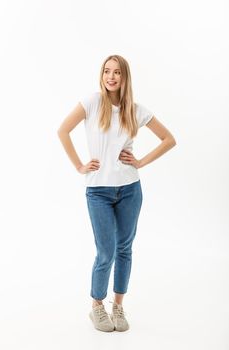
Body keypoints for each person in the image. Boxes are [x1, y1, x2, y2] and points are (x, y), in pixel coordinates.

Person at [57, 54, 176, 332]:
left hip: (130, 189)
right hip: (98, 190)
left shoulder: (135, 109)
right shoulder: (91, 102)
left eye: (117, 73)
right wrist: (79, 166)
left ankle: (118, 305)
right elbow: (63, 130)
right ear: (102, 75)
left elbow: (169, 139)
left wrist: (141, 162)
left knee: (124, 249)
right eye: (107, 71)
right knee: (106, 251)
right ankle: (97, 306)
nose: (111, 77)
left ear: (125, 78)